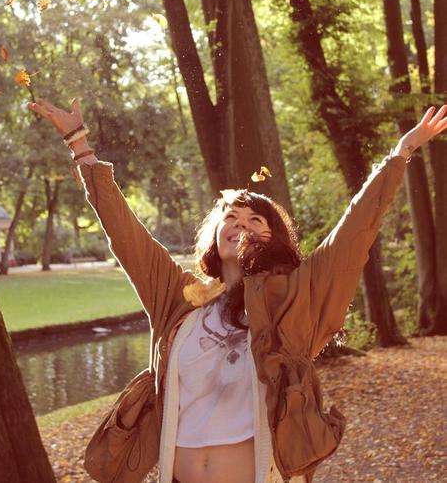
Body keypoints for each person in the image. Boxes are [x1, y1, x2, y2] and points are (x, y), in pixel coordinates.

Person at [28, 98, 447, 483]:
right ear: (216, 235)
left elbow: (354, 230)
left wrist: (401, 154)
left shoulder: (297, 296)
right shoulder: (179, 299)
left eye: (255, 220)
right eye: (232, 217)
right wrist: (81, 148)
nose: (242, 224)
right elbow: (127, 236)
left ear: (274, 237)